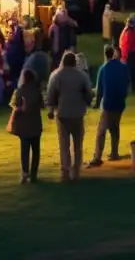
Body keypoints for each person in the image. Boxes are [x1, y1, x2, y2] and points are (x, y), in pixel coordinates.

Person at [46, 51, 93, 182]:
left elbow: (50, 94)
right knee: (78, 144)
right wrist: (89, 102)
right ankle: (76, 171)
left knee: (64, 144)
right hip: (78, 113)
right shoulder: (82, 76)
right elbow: (88, 94)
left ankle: (65, 172)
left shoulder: (56, 75)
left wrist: (50, 109)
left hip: (62, 114)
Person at [88, 46, 129, 168]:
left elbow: (100, 89)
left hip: (108, 103)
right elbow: (128, 83)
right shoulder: (123, 66)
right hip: (120, 102)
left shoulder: (103, 68)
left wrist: (96, 103)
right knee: (115, 127)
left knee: (101, 130)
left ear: (105, 54)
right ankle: (114, 152)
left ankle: (97, 157)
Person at [8, 68, 44, 184]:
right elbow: (42, 105)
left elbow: (14, 105)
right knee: (36, 150)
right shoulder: (37, 91)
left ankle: (24, 173)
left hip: (24, 126)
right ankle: (34, 174)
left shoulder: (20, 91)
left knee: (25, 150)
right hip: (36, 124)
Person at [118, 17, 135, 93]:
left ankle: (130, 88)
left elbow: (124, 45)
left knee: (129, 72)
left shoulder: (127, 33)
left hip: (129, 55)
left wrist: (124, 57)